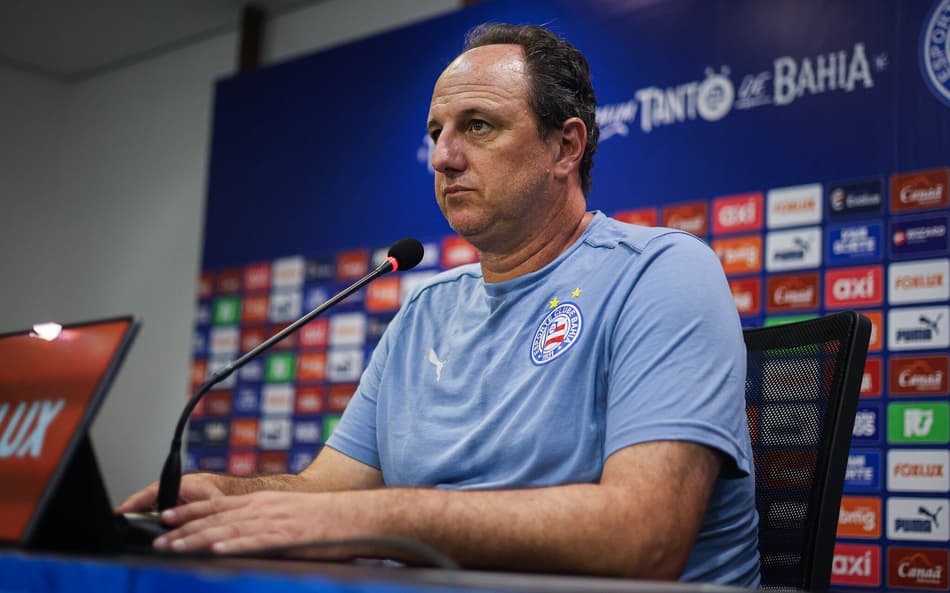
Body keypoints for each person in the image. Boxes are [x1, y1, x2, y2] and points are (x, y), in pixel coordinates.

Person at [118, 23, 760, 585]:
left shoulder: (663, 273)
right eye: (436, 132)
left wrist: (372, 518)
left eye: (477, 126)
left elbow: (641, 537)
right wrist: (225, 496)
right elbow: (326, 492)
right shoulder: (423, 314)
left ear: (567, 146)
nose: (444, 156)